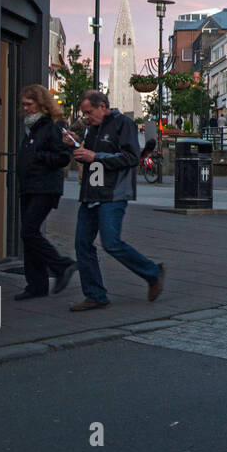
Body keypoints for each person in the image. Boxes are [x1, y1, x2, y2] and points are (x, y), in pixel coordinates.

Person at [70, 91, 166, 311]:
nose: (86, 117)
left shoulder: (124, 124)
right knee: (82, 244)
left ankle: (153, 272)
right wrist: (75, 146)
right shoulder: (92, 128)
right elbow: (91, 157)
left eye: (89, 112)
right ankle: (95, 295)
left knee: (111, 242)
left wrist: (95, 157)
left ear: (103, 106)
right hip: (91, 193)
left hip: (114, 193)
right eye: (84, 113)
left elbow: (131, 158)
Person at [15, 85, 78, 300]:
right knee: (30, 235)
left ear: (41, 103)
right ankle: (36, 285)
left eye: (29, 104)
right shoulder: (33, 126)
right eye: (24, 104)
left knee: (29, 232)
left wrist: (38, 156)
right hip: (30, 186)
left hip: (45, 187)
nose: (26, 108)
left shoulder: (53, 125)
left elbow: (62, 157)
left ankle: (62, 265)